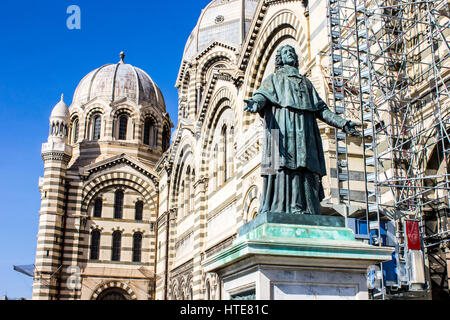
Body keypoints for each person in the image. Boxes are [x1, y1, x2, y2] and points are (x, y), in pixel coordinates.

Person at [245, 44, 360, 215]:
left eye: (292, 51)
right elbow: (262, 95)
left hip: (305, 131)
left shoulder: (306, 83)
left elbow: (321, 109)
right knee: (282, 166)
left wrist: (342, 123)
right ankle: (282, 209)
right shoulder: (273, 79)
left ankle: (307, 209)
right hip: (281, 130)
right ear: (280, 59)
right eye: (285, 52)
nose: (289, 53)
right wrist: (255, 103)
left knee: (306, 166)